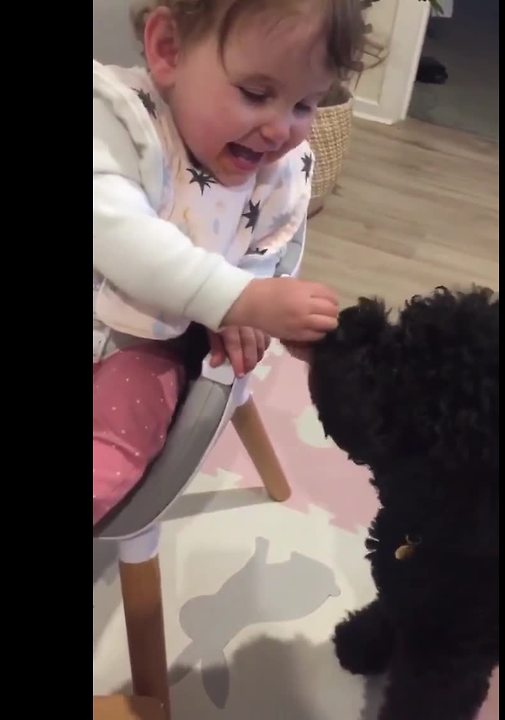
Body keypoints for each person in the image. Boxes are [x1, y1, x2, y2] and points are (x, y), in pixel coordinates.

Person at [93, 0, 375, 525]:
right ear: (168, 50)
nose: (279, 131)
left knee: (126, 432)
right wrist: (238, 298)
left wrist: (246, 310)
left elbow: (264, 252)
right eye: (256, 94)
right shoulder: (117, 117)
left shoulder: (277, 175)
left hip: (145, 348)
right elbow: (116, 233)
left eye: (304, 106)